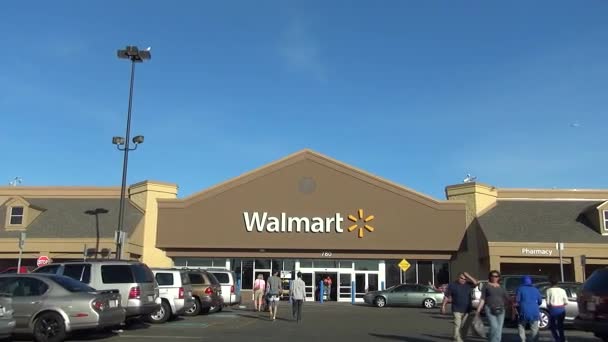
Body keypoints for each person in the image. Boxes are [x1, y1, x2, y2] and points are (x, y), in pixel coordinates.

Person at [441, 272, 479, 342]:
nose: (463, 280)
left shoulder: (468, 284)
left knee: (464, 327)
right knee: (457, 325)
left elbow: (476, 282)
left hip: (467, 309)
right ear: (458, 277)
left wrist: (468, 275)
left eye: (465, 279)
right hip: (456, 309)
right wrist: (443, 306)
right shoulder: (452, 285)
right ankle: (457, 339)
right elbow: (446, 296)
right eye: (461, 278)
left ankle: (459, 337)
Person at [476, 270, 509, 342]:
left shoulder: (501, 287)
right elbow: (482, 299)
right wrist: (478, 311)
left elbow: (507, 298)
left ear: (498, 277)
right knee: (494, 327)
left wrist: (509, 305)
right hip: (490, 308)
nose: (494, 278)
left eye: (496, 276)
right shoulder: (486, 286)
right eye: (493, 276)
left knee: (499, 329)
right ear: (490, 277)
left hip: (501, 309)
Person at [514, 275, 543, 342]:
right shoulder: (535, 289)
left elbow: (517, 300)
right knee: (534, 327)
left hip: (523, 311)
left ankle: (523, 340)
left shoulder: (520, 289)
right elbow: (540, 301)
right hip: (534, 311)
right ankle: (533, 340)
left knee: (521, 326)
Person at [545, 275, 569, 342]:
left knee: (552, 326)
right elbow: (566, 302)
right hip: (561, 309)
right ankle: (562, 339)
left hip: (553, 309)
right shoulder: (562, 290)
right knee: (560, 325)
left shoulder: (548, 290)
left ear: (550, 282)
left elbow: (548, 302)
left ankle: (557, 338)